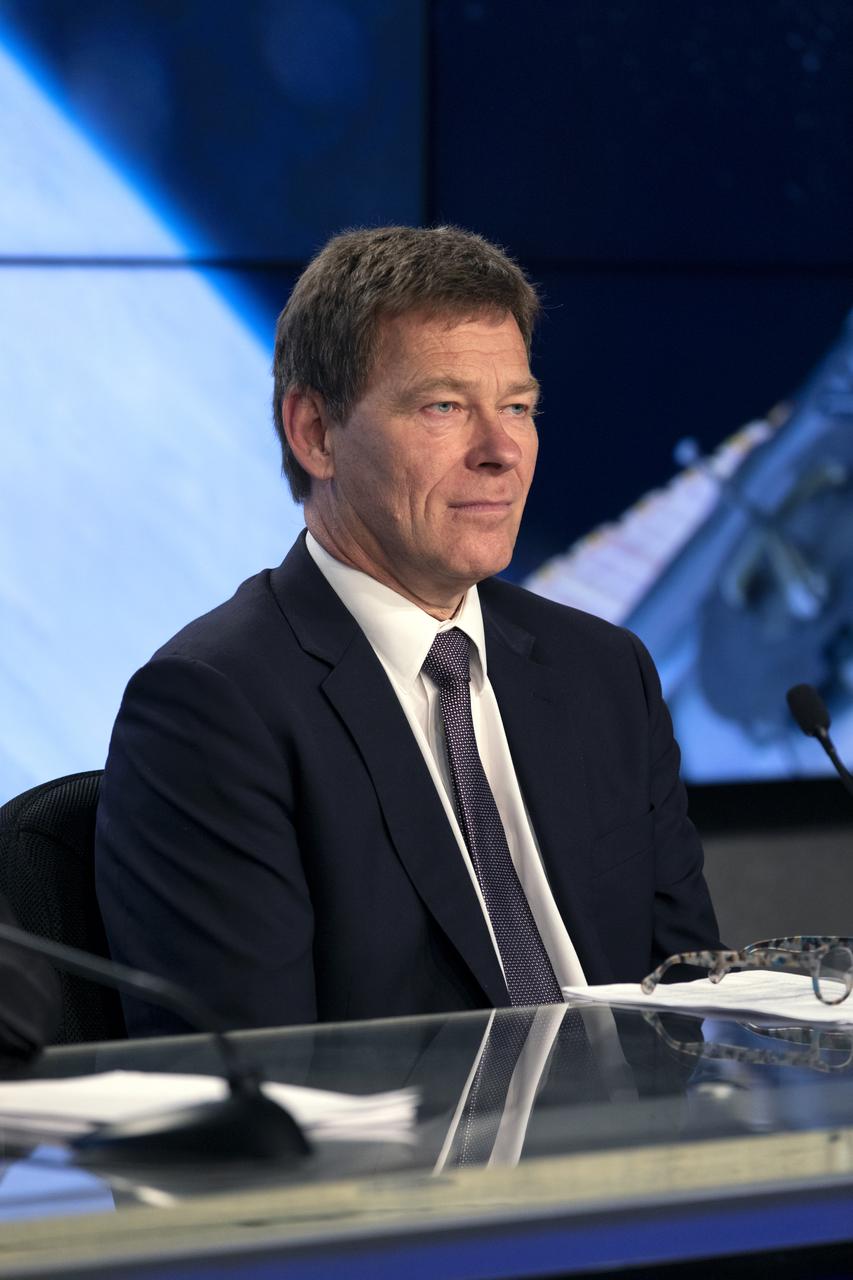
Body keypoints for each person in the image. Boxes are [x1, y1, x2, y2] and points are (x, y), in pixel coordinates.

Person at [95, 225, 720, 1037]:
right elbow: (251, 1081)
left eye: (519, 408)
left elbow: (693, 998)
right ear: (315, 433)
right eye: (444, 407)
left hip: (649, 1153)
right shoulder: (215, 704)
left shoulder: (604, 670)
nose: (501, 452)